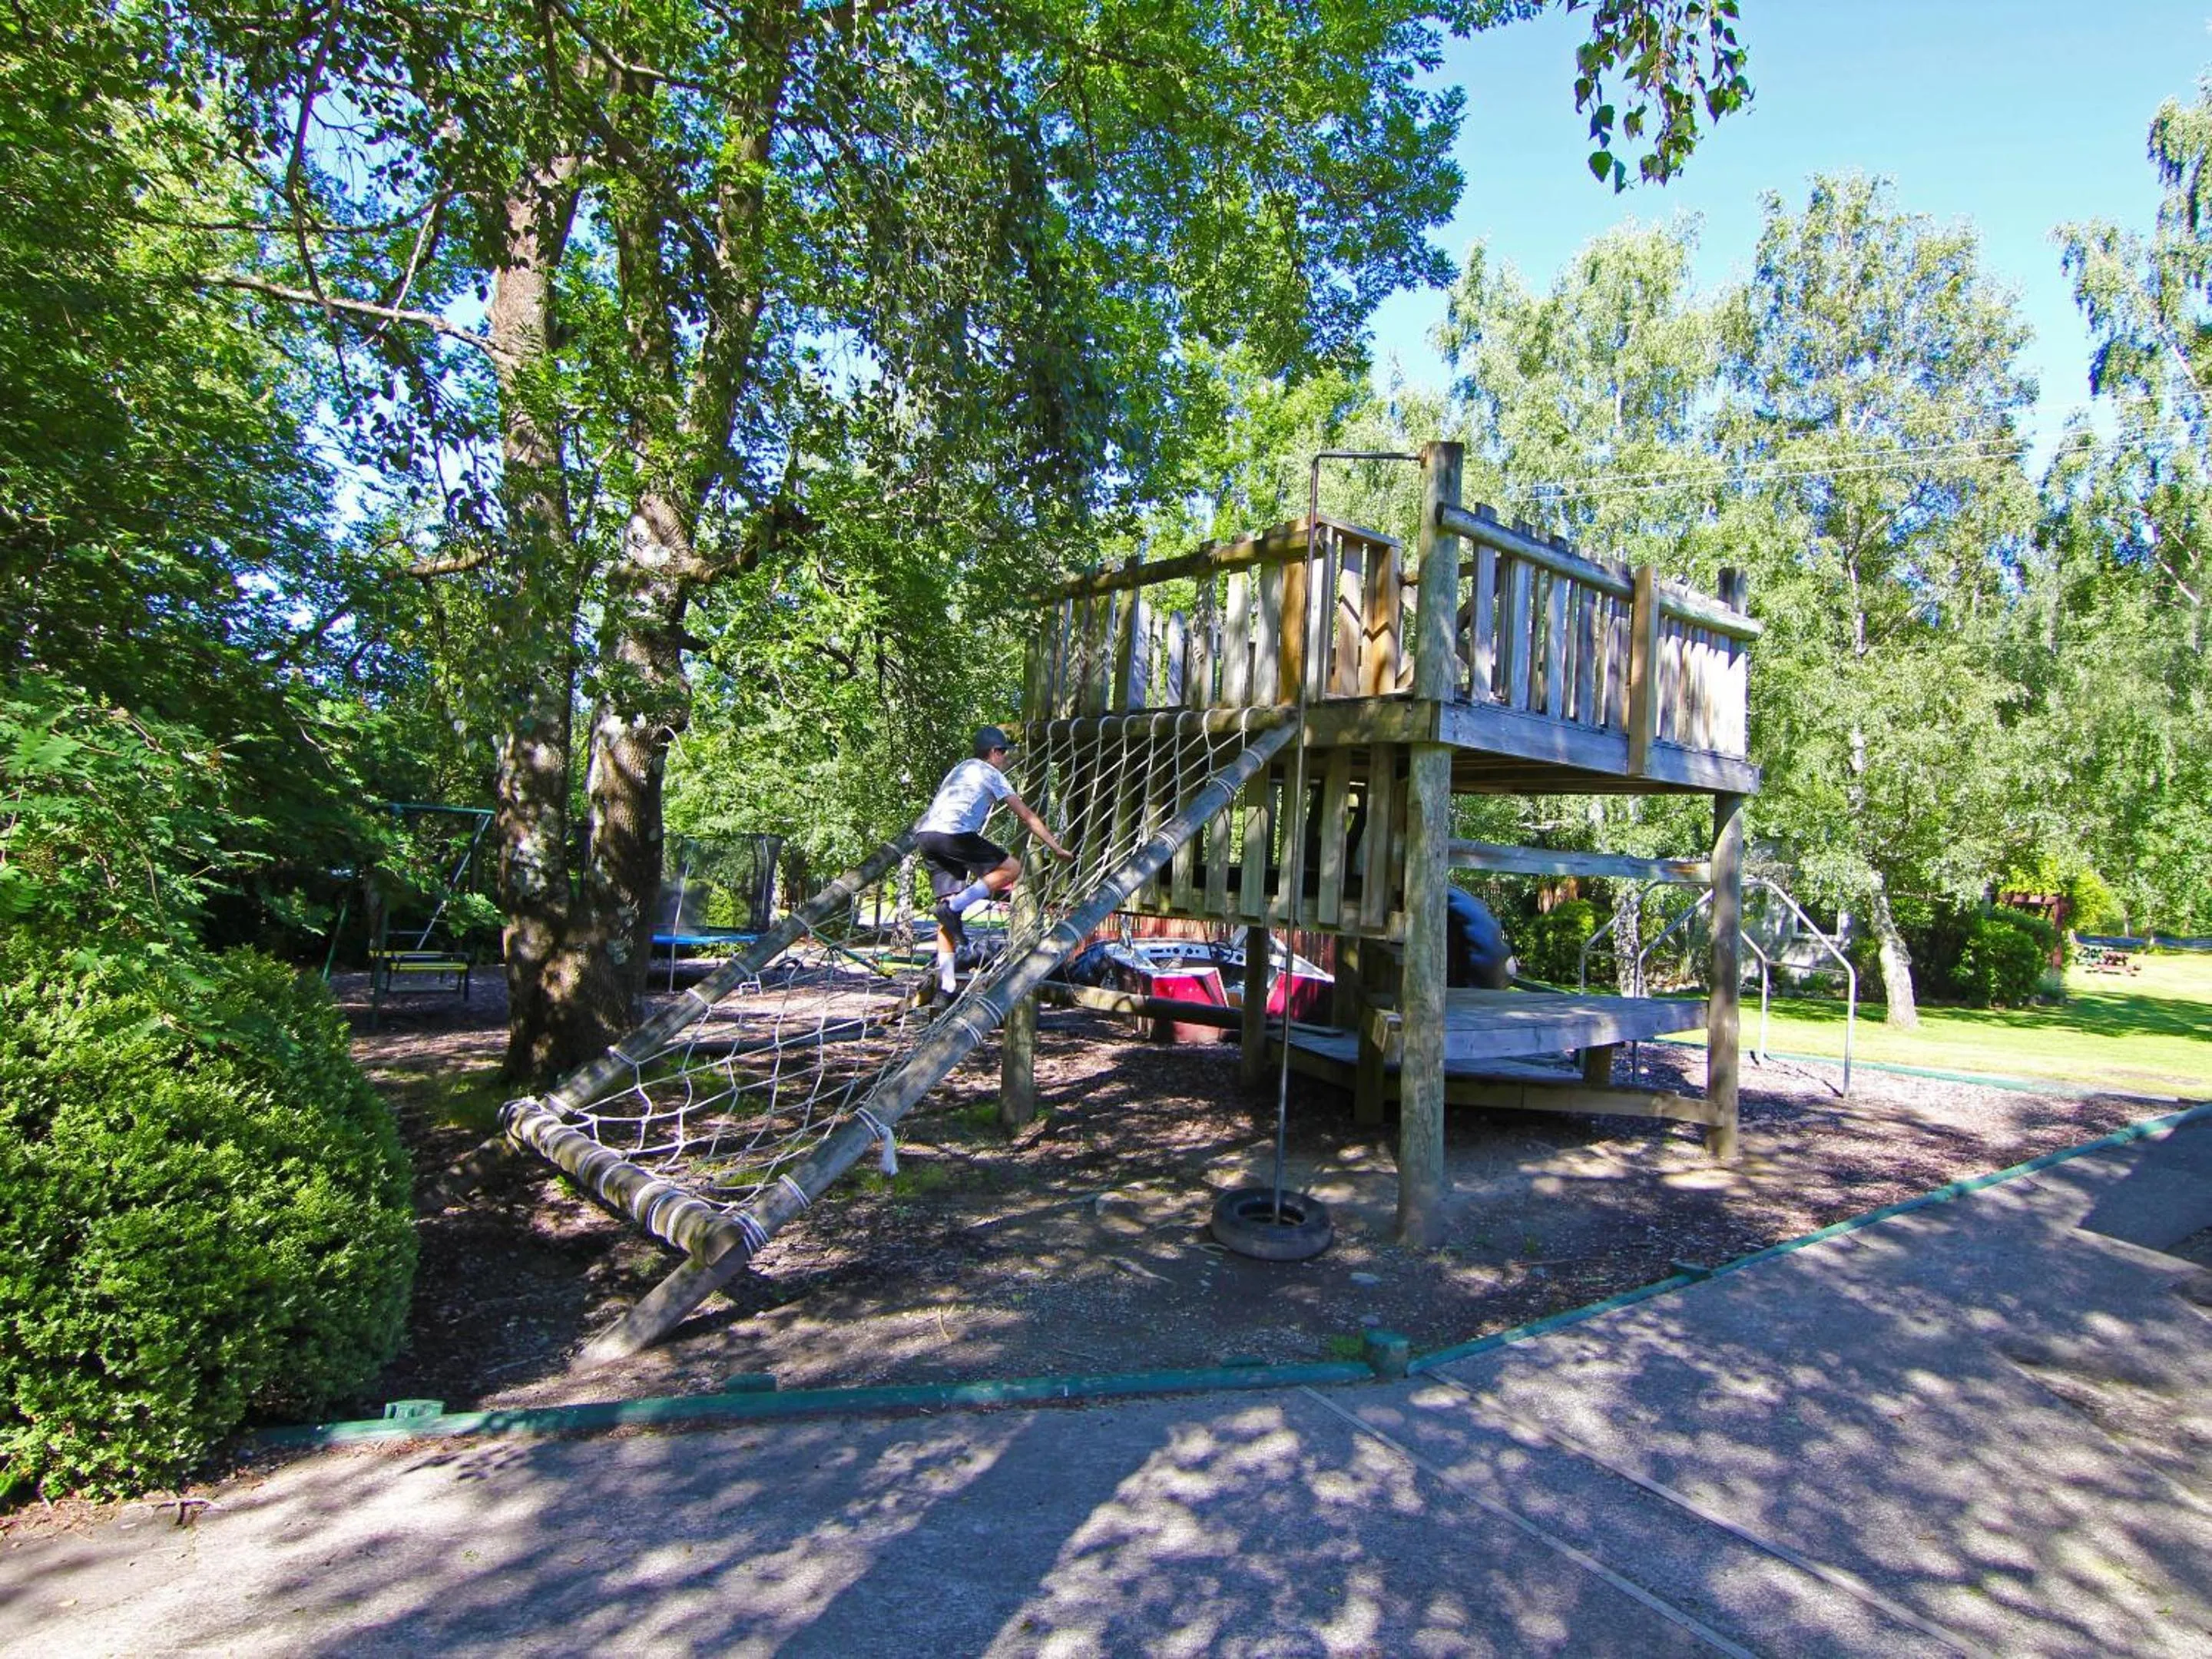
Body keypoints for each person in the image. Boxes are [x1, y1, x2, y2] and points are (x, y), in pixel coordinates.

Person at [914, 727, 1072, 1000]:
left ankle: (947, 987)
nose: (1005, 759)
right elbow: (1026, 815)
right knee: (1013, 868)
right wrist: (1055, 846)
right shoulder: (990, 773)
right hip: (954, 833)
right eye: (1003, 753)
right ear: (994, 752)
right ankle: (954, 907)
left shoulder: (961, 769)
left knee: (947, 916)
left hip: (927, 836)